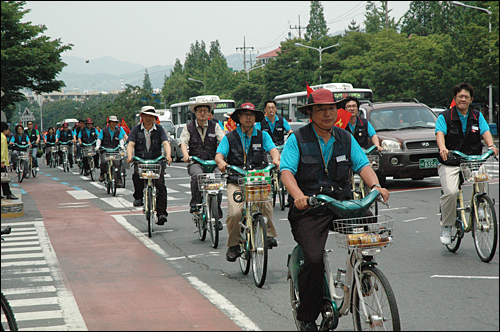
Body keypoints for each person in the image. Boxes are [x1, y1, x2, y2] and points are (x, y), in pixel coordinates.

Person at [280, 89, 389, 331]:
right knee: (314, 258)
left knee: (370, 232)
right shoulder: (297, 140)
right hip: (310, 209)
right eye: (320, 109)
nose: (327, 113)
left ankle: (364, 270)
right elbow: (286, 171)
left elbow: (362, 165)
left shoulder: (345, 138)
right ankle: (308, 315)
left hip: (341, 205)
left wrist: (376, 186)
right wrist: (298, 197)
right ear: (310, 113)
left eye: (331, 108)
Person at [215, 102, 280, 261]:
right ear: (239, 117)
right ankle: (234, 245)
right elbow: (219, 155)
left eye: (251, 115)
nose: (248, 117)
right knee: (236, 213)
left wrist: (277, 160)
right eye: (245, 114)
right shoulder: (229, 137)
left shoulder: (263, 135)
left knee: (266, 203)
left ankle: (269, 234)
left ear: (255, 118)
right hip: (236, 181)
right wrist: (221, 163)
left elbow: (273, 151)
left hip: (258, 180)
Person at [435, 83, 498, 245]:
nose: (463, 99)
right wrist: (443, 148)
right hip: (450, 162)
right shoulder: (445, 116)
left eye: (466, 97)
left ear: (471, 99)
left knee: (483, 177)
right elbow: (440, 133)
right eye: (460, 96)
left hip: (472, 161)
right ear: (455, 98)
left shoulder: (477, 116)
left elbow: (485, 132)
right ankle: (447, 226)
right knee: (450, 192)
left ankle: (482, 207)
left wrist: (491, 146)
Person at [179, 98, 225, 221]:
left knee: (218, 185)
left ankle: (216, 218)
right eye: (199, 111)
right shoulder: (188, 127)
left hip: (213, 161)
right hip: (196, 162)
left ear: (209, 113)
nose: (202, 113)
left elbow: (223, 141)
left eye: (205, 110)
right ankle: (195, 204)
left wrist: (224, 155)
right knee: (197, 176)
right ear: (195, 112)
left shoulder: (215, 126)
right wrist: (185, 155)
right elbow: (183, 142)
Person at [127, 106, 172, 225]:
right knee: (136, 176)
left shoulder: (160, 129)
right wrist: (130, 156)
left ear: (154, 118)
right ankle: (138, 197)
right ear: (141, 117)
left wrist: (168, 156)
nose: (148, 118)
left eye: (150, 116)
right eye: (145, 116)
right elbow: (131, 144)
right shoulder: (136, 130)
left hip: (156, 161)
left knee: (160, 185)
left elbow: (166, 143)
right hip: (141, 161)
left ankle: (161, 213)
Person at [96, 116, 126, 187]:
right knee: (103, 162)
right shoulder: (104, 130)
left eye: (115, 122)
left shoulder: (118, 130)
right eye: (112, 122)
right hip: (105, 149)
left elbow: (121, 139)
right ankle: (102, 174)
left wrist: (122, 145)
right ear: (109, 123)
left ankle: (118, 180)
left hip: (115, 150)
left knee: (117, 163)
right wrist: (98, 146)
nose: (113, 123)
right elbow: (99, 139)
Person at [1, 122, 18, 200]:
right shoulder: (3, 137)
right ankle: (8, 193)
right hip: (1, 161)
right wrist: (2, 161)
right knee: (4, 178)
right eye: (8, 130)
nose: (9, 132)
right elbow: (2, 150)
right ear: (5, 129)